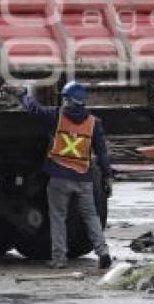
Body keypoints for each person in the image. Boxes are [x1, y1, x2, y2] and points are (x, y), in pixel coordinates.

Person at [10, 81, 113, 270]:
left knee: (58, 218)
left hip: (59, 178)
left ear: (67, 99)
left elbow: (35, 110)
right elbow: (102, 153)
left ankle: (59, 259)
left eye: (65, 98)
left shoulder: (57, 117)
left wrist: (22, 95)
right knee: (91, 216)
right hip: (83, 178)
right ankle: (103, 253)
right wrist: (107, 176)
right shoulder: (93, 123)